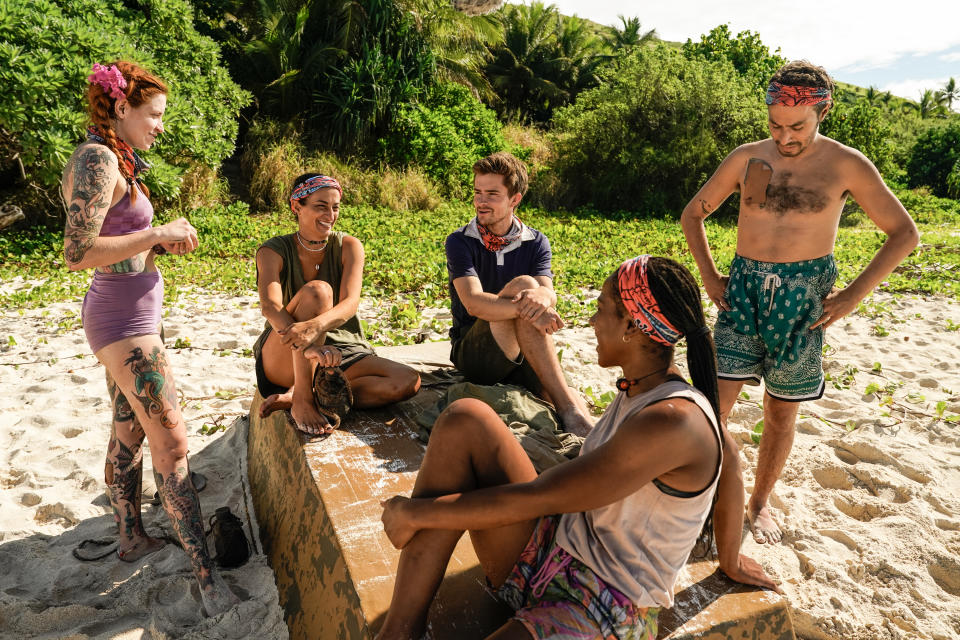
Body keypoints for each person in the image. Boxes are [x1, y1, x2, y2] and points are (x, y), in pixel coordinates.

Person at [377, 256, 779, 640]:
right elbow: (731, 464)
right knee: (465, 417)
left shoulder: (672, 420)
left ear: (633, 327)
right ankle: (398, 631)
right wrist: (729, 559)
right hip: (554, 550)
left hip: (604, 606)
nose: (591, 320)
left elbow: (541, 496)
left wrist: (413, 513)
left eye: (602, 308)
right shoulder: (643, 387)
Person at [681, 60, 919, 545]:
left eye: (797, 126)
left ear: (822, 112)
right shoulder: (746, 157)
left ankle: (760, 502)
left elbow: (904, 233)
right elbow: (693, 214)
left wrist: (852, 295)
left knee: (781, 411)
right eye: (774, 124)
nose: (784, 136)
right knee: (712, 403)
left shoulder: (845, 164)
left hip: (804, 300)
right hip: (743, 292)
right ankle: (696, 497)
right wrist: (709, 275)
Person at [61, 61, 238, 615]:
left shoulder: (116, 160)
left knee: (129, 431)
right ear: (122, 108)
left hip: (131, 312)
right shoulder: (98, 158)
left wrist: (153, 246)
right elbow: (77, 252)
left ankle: (130, 537)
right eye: (154, 114)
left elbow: (116, 237)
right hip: (124, 323)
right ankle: (208, 579)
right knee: (174, 445)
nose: (160, 125)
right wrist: (158, 231)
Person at [254, 173, 421, 434]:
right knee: (318, 292)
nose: (330, 215)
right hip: (284, 348)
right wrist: (305, 343)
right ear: (296, 206)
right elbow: (270, 307)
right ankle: (302, 400)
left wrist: (316, 328)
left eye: (335, 207)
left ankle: (315, 394)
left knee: (407, 381)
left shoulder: (349, 246)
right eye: (321, 206)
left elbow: (350, 304)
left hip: (338, 349)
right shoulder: (272, 251)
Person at [446, 152, 593, 436]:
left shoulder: (536, 242)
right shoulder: (460, 241)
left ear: (515, 199)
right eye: (478, 192)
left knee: (557, 391)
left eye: (492, 194)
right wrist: (529, 305)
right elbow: (474, 303)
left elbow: (548, 294)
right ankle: (569, 410)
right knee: (525, 285)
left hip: (524, 349)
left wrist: (541, 300)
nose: (481, 201)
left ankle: (577, 417)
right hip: (476, 355)